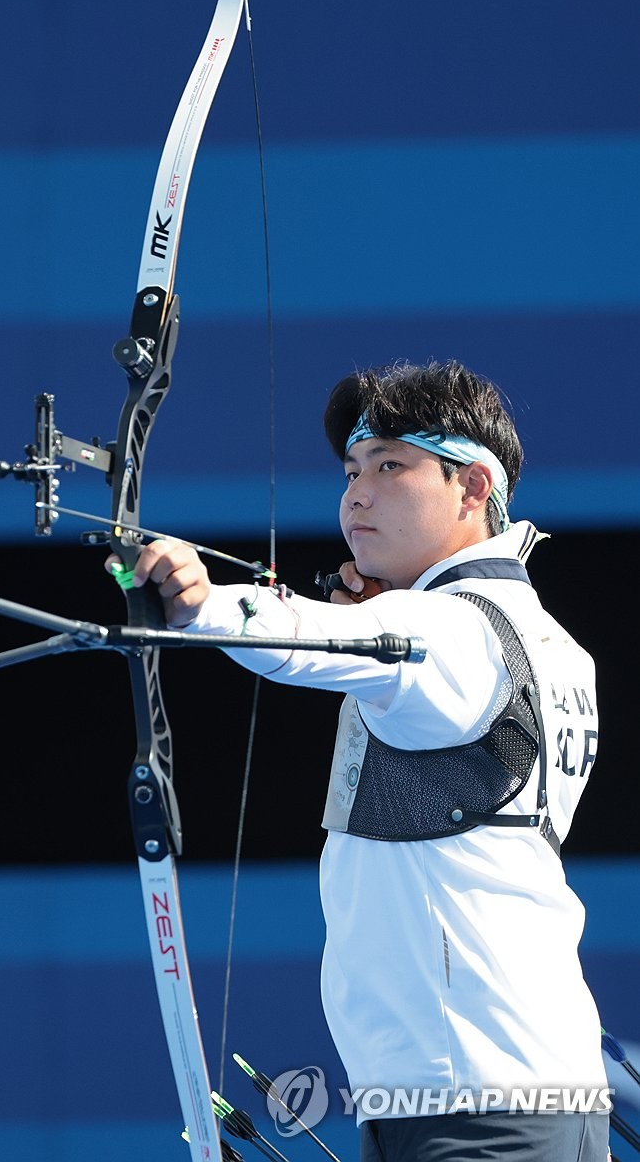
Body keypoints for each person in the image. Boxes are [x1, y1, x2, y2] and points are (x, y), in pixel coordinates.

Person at [112, 360, 610, 1161]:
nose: (356, 495)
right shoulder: (549, 640)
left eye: (391, 466)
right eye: (351, 470)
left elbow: (304, 638)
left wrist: (199, 605)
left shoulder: (452, 630)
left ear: (474, 487)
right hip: (520, 1085)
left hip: (470, 1102)